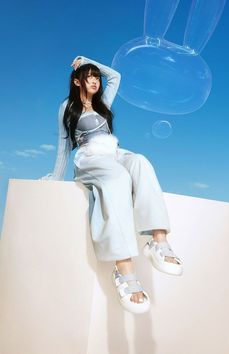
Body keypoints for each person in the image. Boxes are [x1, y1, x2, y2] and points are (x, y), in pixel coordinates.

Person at [42, 55, 183, 314]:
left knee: (140, 161)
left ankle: (158, 240)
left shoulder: (103, 103)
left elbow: (116, 76)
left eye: (96, 77)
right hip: (89, 158)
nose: (95, 81)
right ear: (77, 81)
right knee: (117, 178)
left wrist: (88, 61)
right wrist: (55, 177)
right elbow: (63, 146)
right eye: (89, 77)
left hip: (113, 152)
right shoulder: (67, 107)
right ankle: (124, 269)